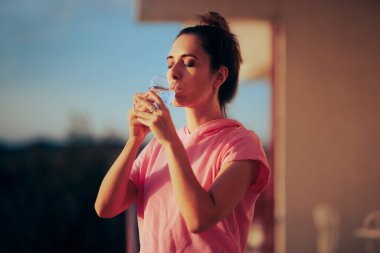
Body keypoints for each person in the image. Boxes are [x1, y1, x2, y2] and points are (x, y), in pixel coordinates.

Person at [95, 11, 270, 253]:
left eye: (188, 63)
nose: (173, 72)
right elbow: (105, 207)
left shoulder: (241, 144)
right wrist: (134, 140)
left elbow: (200, 218)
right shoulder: (156, 147)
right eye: (170, 63)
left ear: (219, 76)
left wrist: (170, 142)